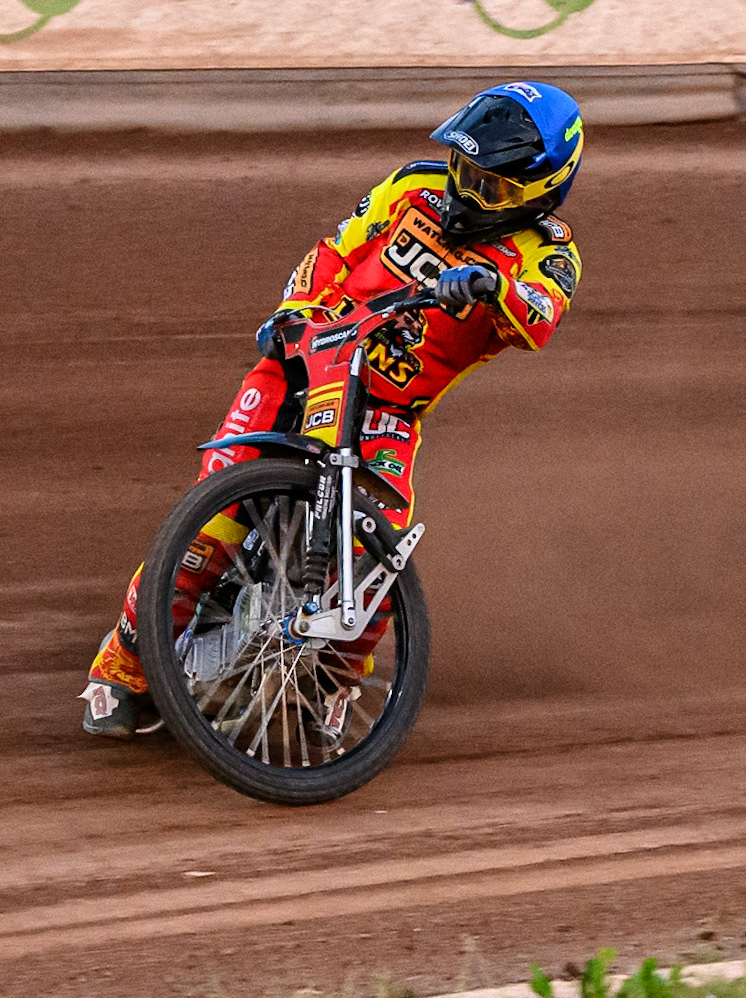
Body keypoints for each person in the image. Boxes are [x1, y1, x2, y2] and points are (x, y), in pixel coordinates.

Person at [80, 81, 586, 737]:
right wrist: (294, 310)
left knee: (379, 557)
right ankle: (122, 670)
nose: (464, 191)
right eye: (462, 170)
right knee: (212, 518)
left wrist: (494, 286)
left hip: (388, 410)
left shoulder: (550, 254)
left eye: (487, 186)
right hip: (304, 362)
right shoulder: (413, 186)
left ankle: (329, 685)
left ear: (537, 191)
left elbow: (539, 316)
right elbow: (335, 248)